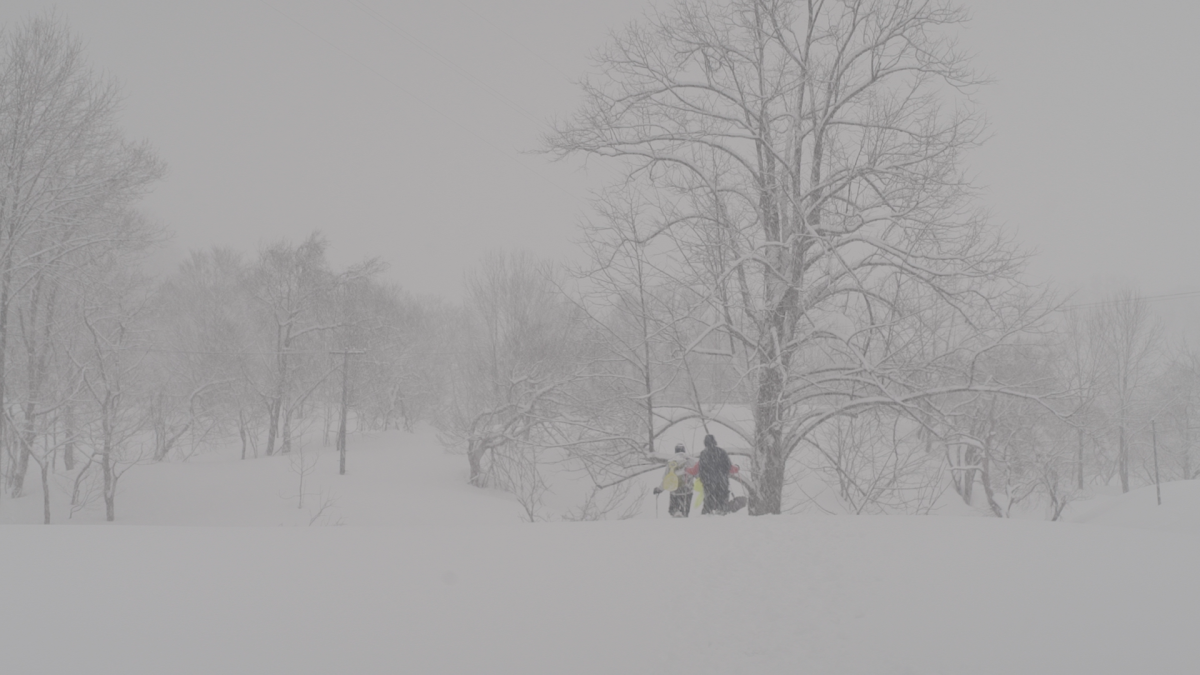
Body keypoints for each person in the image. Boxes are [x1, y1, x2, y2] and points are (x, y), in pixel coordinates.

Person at [687, 434, 742, 515]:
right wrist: (737, 468)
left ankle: (707, 516)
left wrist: (687, 470)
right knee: (722, 505)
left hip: (709, 484)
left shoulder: (703, 454)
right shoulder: (722, 452)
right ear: (715, 442)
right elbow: (729, 467)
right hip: (722, 483)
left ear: (705, 443)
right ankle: (721, 514)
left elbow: (697, 469)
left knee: (708, 505)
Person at [653, 443, 694, 517]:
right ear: (684, 451)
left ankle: (676, 513)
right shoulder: (690, 461)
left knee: (672, 510)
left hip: (675, 491)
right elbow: (698, 474)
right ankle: (683, 518)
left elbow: (666, 479)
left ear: (675, 451)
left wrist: (659, 489)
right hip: (687, 491)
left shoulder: (671, 462)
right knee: (685, 513)